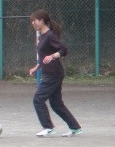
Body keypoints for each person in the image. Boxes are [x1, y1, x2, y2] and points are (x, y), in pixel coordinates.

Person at [29, 9, 82, 137]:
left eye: (34, 20)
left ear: (42, 21)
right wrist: (37, 67)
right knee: (56, 104)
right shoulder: (41, 36)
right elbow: (44, 56)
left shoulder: (49, 35)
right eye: (32, 21)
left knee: (38, 99)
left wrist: (53, 56)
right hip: (50, 73)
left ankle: (48, 127)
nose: (33, 23)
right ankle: (75, 128)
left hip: (54, 74)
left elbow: (64, 50)